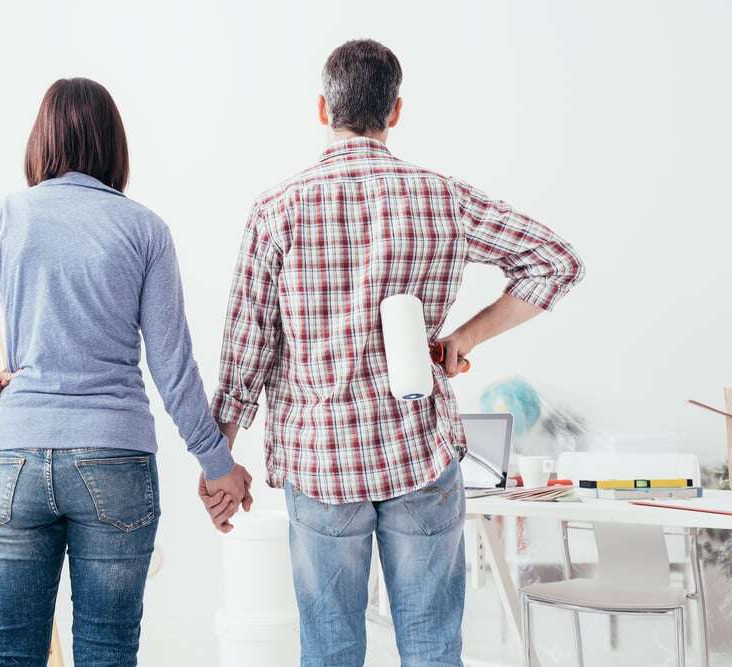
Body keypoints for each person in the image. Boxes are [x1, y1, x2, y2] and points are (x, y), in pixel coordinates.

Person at [200, 39, 585, 666]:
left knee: (329, 649)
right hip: (418, 452)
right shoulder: (443, 198)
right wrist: (463, 339)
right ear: (396, 112)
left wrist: (220, 466)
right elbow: (557, 263)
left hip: (321, 462)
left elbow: (247, 350)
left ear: (323, 110)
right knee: (432, 645)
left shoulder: (278, 210)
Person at [0, 78, 251, 667]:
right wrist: (217, 465)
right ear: (114, 146)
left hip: (12, 459)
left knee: (10, 655)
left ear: (40, 142)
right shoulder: (144, 229)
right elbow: (172, 366)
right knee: (106, 653)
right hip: (114, 458)